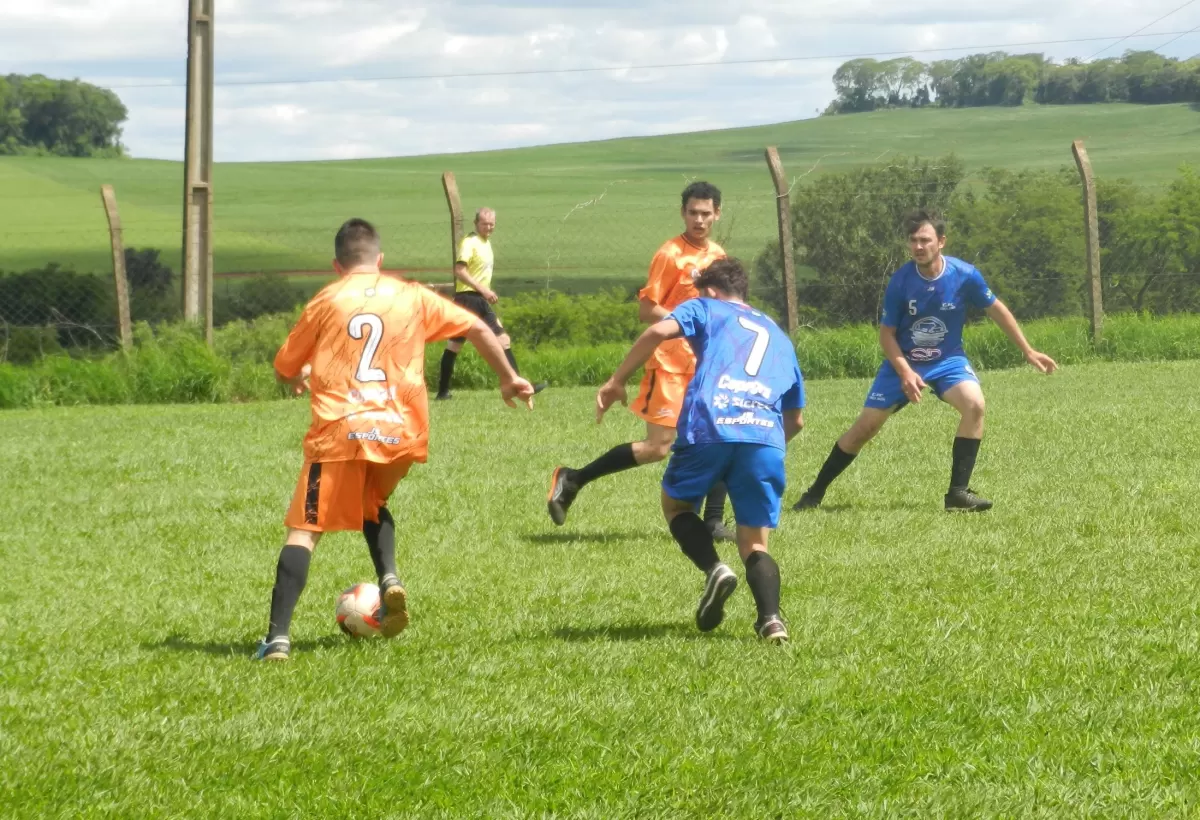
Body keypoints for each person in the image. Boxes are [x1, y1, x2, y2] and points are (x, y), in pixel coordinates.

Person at [256, 218, 535, 661]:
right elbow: (478, 328)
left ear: (337, 265)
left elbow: (284, 365)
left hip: (341, 429)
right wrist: (508, 378)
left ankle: (276, 639)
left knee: (305, 530)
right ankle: (389, 578)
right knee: (372, 503)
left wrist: (295, 375)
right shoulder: (411, 295)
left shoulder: (326, 299)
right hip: (399, 430)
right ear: (380, 259)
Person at [791, 209, 1058, 514]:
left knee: (975, 405)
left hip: (948, 360)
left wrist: (1028, 350)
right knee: (864, 429)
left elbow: (996, 309)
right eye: (913, 240)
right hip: (903, 362)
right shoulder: (901, 282)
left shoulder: (965, 275)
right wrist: (905, 372)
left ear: (941, 242)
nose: (918, 246)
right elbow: (887, 336)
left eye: (925, 240)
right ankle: (814, 493)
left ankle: (957, 494)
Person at [596, 258, 805, 643]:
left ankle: (715, 569)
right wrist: (762, 447)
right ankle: (772, 621)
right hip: (764, 436)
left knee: (676, 507)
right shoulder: (778, 334)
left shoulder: (705, 306)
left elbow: (657, 330)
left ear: (709, 291)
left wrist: (616, 380)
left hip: (710, 423)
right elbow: (796, 420)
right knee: (755, 541)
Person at [547, 181, 733, 540]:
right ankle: (573, 479)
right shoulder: (670, 254)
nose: (699, 220)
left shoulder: (718, 255)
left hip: (705, 362)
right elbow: (647, 310)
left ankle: (712, 521)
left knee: (719, 435)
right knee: (657, 448)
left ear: (717, 214)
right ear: (682, 213)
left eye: (705, 213)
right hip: (669, 362)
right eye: (692, 213)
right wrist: (685, 324)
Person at [436, 207, 545, 399]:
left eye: (491, 224)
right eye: (484, 224)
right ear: (476, 223)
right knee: (501, 340)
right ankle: (519, 386)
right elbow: (460, 270)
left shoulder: (485, 243)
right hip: (471, 298)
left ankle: (443, 392)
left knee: (454, 345)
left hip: (470, 299)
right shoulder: (470, 242)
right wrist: (484, 290)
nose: (488, 227)